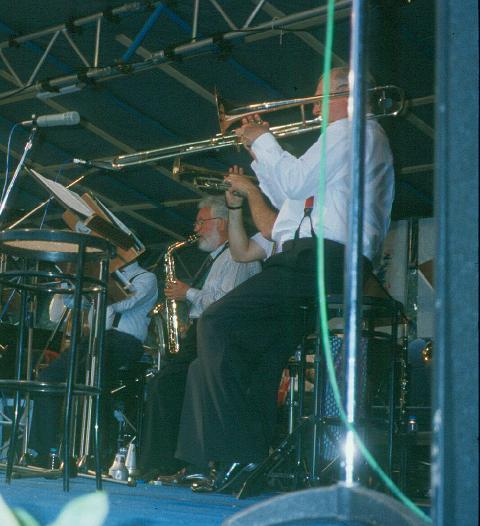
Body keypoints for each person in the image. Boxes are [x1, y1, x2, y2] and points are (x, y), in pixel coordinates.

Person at [175, 67, 395, 493]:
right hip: (317, 259)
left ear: (349, 95)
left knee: (217, 322)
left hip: (320, 258)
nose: (312, 110)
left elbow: (293, 181)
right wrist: (259, 154)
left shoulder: (354, 131)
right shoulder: (349, 140)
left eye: (319, 99)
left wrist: (263, 139)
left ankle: (233, 450)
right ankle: (244, 458)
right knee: (262, 354)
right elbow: (287, 199)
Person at [141, 195, 270, 481]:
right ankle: (170, 463)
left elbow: (224, 303)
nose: (196, 229)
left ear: (221, 223)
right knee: (173, 386)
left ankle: (163, 464)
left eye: (201, 222)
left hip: (220, 333)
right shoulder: (220, 258)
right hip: (206, 330)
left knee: (167, 385)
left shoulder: (236, 256)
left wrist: (187, 292)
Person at [28, 257, 159, 467]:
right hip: (93, 338)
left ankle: (96, 453)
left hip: (124, 341)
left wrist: (98, 285)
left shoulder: (146, 278)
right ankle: (45, 452)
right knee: (48, 377)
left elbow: (125, 303)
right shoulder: (101, 275)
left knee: (92, 380)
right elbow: (72, 303)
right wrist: (70, 284)